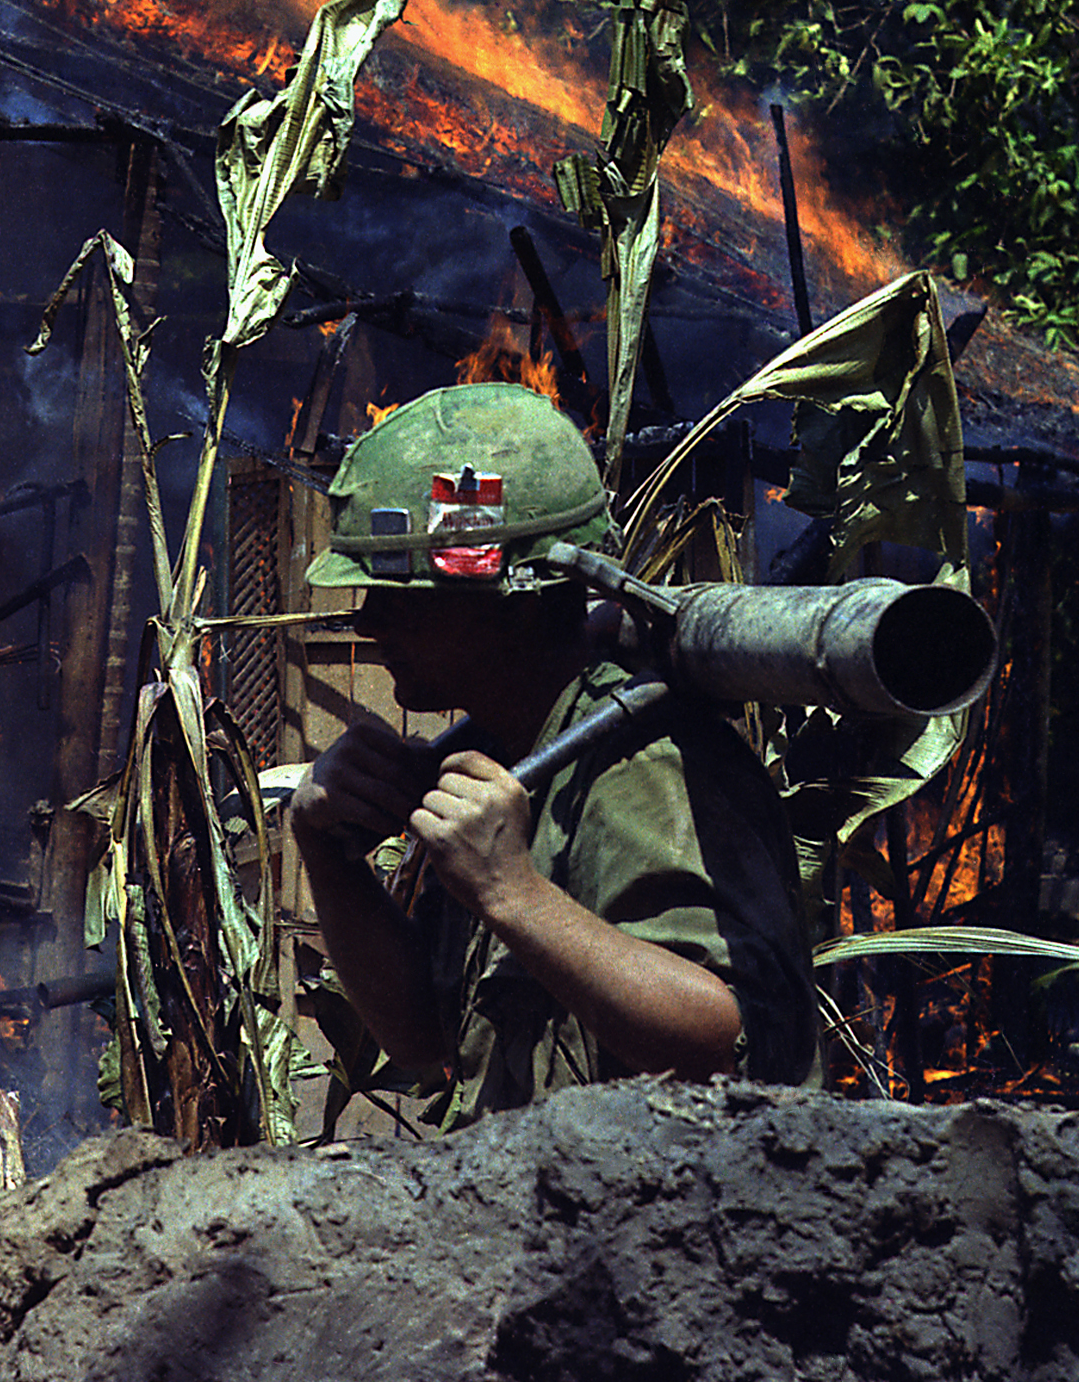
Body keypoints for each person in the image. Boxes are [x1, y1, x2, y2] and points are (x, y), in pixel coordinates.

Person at [285, 384, 818, 1122]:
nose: (372, 619)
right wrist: (328, 855)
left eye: (407, 593)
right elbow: (417, 1037)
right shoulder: (503, 753)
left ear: (521, 599)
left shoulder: (641, 763)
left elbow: (720, 1039)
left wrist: (514, 894)